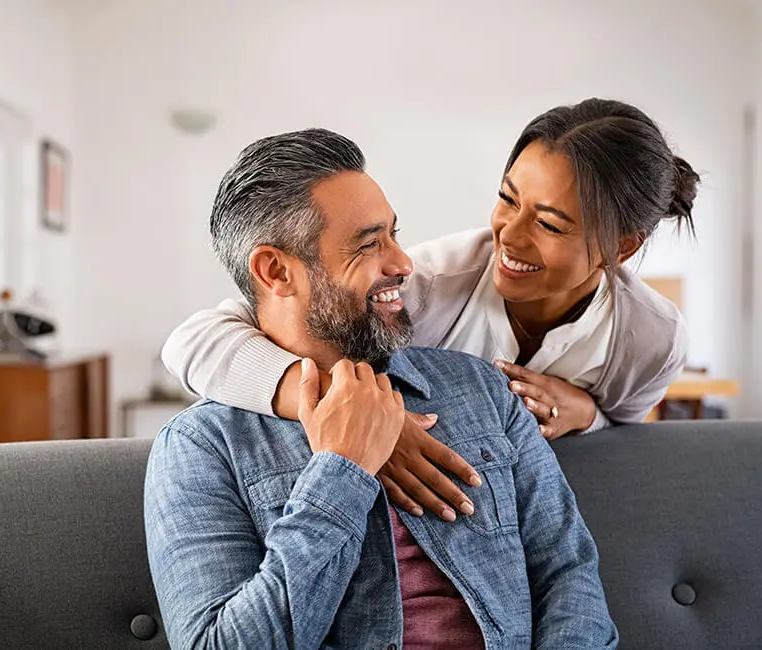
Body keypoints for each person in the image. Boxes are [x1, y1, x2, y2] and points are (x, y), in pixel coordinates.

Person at [144, 128, 617, 649]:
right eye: (370, 244)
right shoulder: (201, 447)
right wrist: (340, 472)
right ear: (276, 271)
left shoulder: (483, 388)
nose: (403, 263)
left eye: (394, 234)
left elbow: (569, 573)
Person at [162, 97, 699, 522]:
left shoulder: (650, 339)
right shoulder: (429, 284)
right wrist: (355, 413)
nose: (508, 236)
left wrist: (588, 415)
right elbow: (195, 341)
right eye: (507, 198)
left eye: (550, 224)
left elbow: (625, 437)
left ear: (621, 247)